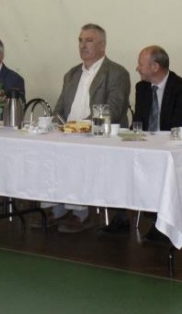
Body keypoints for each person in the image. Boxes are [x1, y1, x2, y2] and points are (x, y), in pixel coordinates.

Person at [44, 24, 131, 233]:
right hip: (69, 133)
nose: (83, 45)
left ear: (102, 45)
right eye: (80, 40)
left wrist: (80, 127)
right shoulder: (72, 73)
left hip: (100, 136)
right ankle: (56, 210)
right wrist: (56, 124)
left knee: (77, 153)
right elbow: (59, 108)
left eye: (89, 41)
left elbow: (113, 110)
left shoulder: (116, 73)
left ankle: (81, 214)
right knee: (48, 150)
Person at [131, 45, 182, 133]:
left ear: (155, 67)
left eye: (141, 64)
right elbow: (138, 123)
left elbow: (178, 126)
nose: (137, 68)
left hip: (169, 139)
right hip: (144, 140)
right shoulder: (141, 87)